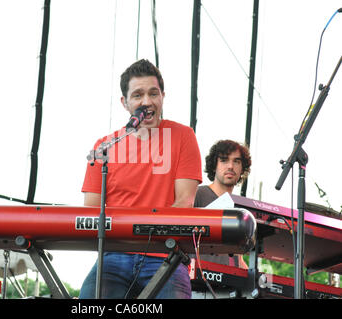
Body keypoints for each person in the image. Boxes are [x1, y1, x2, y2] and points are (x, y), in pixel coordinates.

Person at [79, 59, 202, 299]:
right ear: (125, 103)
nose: (146, 101)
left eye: (153, 93)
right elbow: (92, 211)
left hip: (165, 254)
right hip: (114, 256)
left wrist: (145, 235)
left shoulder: (183, 136)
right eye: (138, 95)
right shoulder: (105, 146)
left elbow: (184, 203)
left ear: (162, 97)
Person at [191, 139, 252, 298]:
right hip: (198, 286)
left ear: (242, 169)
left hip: (228, 287)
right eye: (224, 160)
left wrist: (255, 279)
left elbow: (237, 257)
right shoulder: (197, 194)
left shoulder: (241, 208)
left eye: (236, 161)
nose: (230, 166)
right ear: (214, 165)